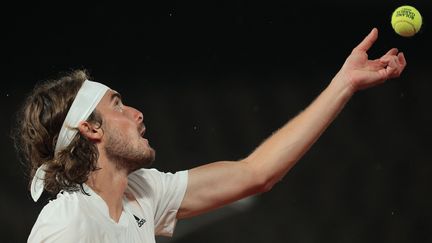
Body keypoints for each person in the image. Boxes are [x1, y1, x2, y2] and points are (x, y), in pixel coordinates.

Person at [13, 28, 406, 243]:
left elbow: (256, 173)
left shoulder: (142, 194)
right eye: (117, 105)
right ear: (90, 128)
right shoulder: (68, 223)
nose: (136, 113)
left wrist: (344, 83)